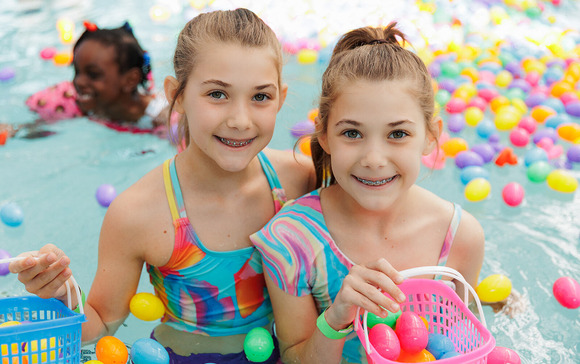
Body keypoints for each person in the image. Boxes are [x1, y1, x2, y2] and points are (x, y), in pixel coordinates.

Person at [10, 8, 315, 363]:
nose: (239, 119)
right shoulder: (139, 212)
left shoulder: (300, 179)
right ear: (178, 96)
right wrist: (63, 295)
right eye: (217, 94)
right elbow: (102, 323)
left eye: (261, 97)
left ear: (281, 96)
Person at [250, 22, 485, 364]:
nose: (374, 160)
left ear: (431, 136)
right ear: (325, 136)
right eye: (352, 133)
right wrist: (335, 319)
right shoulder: (291, 240)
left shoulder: (461, 236)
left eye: (398, 134)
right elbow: (293, 357)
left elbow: (462, 347)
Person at [1, 21, 174, 140]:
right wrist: (14, 131)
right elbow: (40, 126)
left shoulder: (159, 117)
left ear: (130, 80)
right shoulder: (84, 105)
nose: (79, 82)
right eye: (76, 71)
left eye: (93, 75)